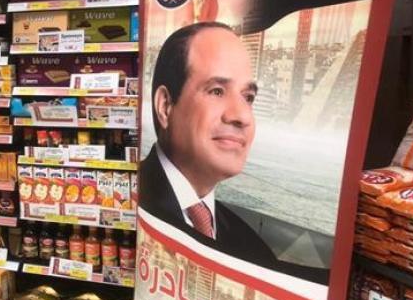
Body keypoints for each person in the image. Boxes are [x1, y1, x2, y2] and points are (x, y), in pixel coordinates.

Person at [140, 22, 328, 285]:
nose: (242, 116)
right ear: (166, 106)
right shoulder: (123, 206)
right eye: (217, 91)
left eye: (248, 97)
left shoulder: (252, 248)